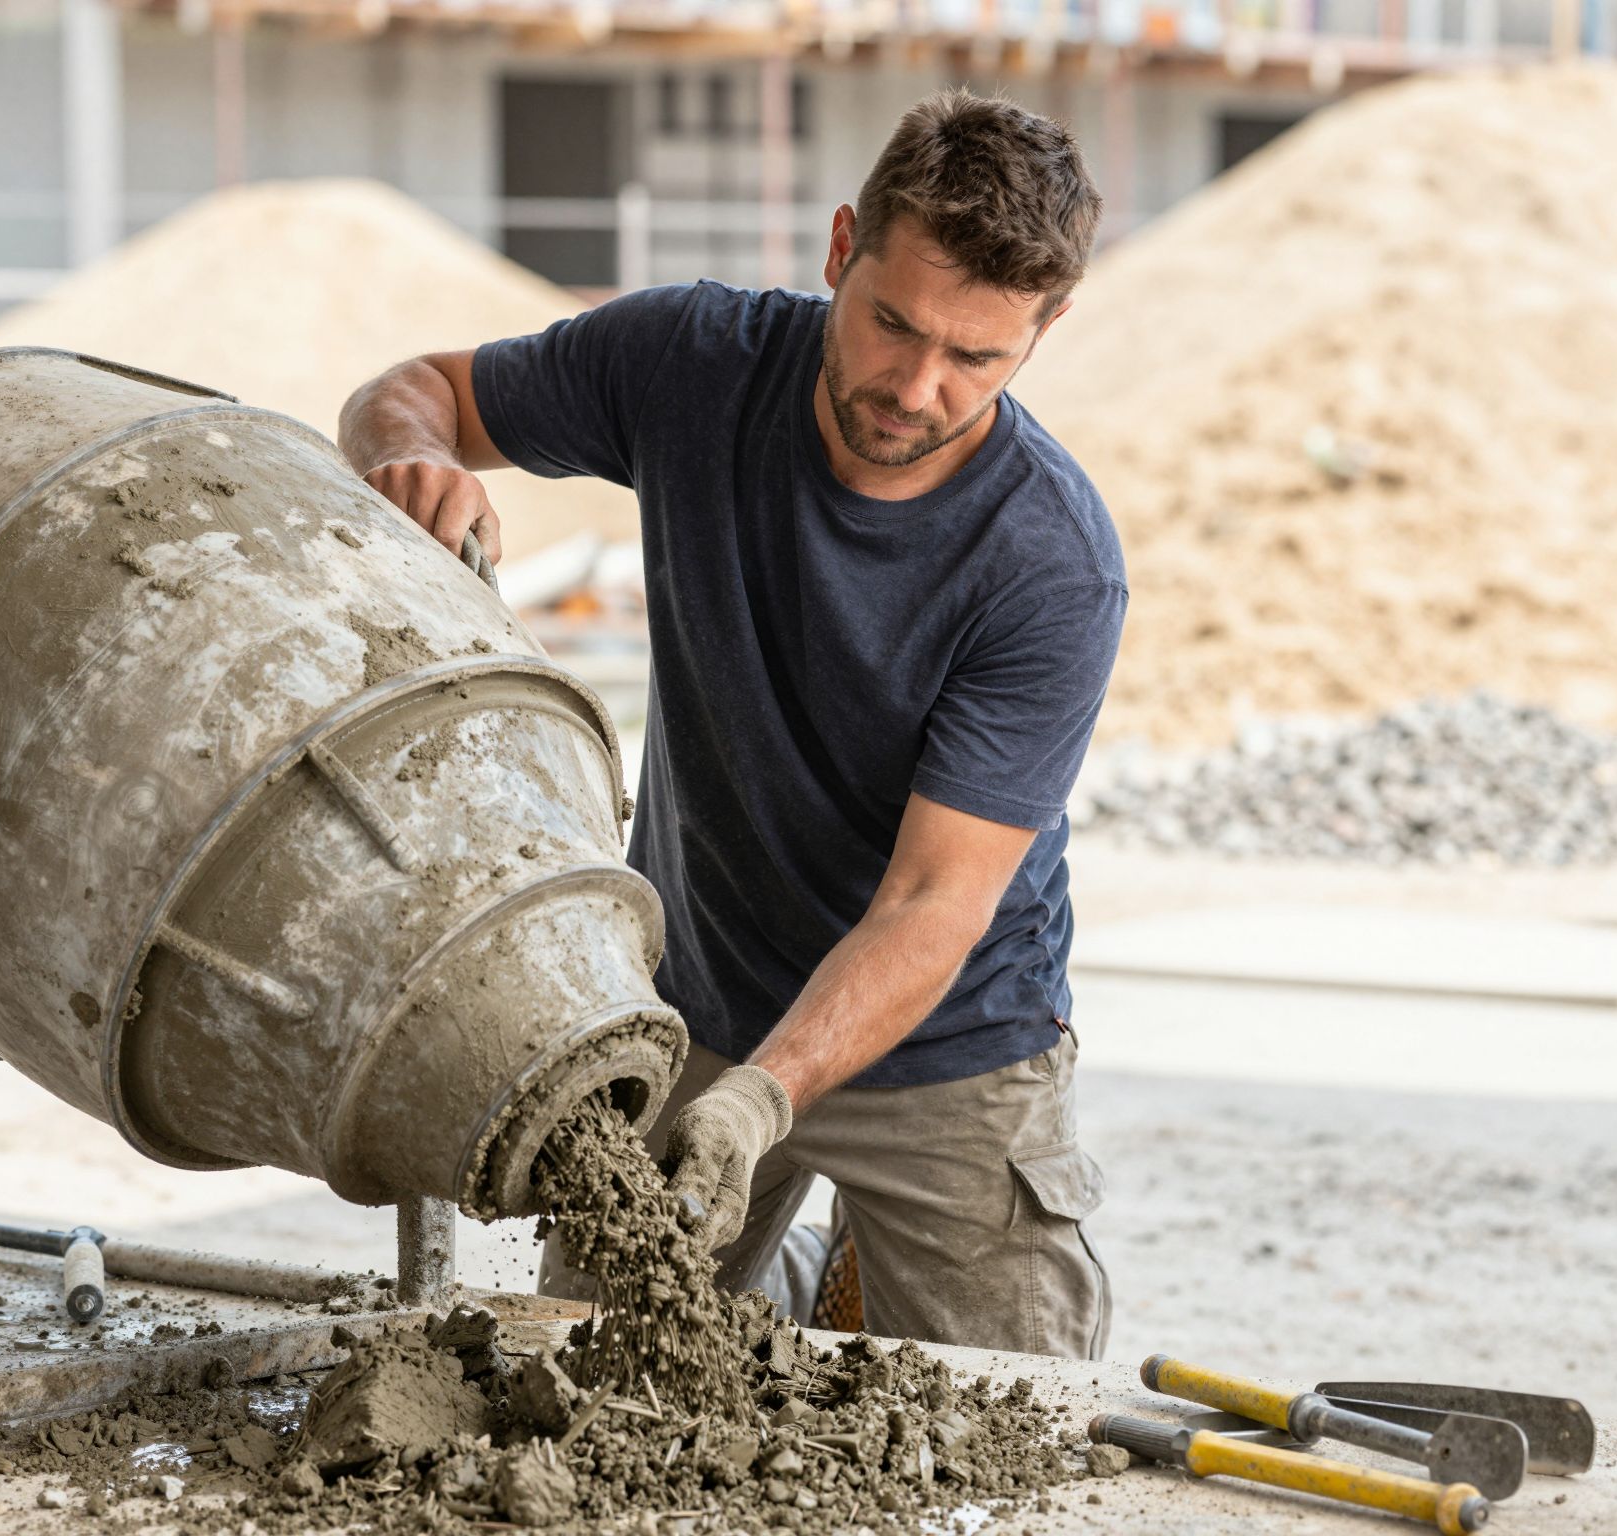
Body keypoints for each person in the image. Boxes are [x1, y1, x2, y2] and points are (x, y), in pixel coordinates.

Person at [340, 88, 1124, 1359]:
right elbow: (414, 390)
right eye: (891, 324)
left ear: (1045, 328)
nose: (915, 388)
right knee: (589, 1382)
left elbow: (933, 904)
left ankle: (836, 1263)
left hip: (945, 1041)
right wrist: (407, 461)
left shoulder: (1047, 564)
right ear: (840, 249)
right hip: (700, 1001)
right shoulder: (691, 365)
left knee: (1016, 1418)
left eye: (974, 359)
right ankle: (801, 1286)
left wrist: (767, 1097)